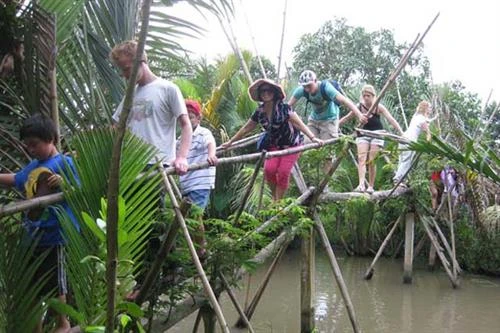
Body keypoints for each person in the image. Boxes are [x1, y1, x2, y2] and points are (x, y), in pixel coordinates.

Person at [0, 114, 79, 333]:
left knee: (57, 283)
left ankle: (63, 324)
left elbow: (81, 191)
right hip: (33, 236)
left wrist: (65, 183)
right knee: (33, 285)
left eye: (34, 145)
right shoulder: (34, 165)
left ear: (51, 138)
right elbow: (17, 180)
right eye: (28, 146)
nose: (31, 150)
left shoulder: (65, 163)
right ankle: (37, 328)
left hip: (55, 236)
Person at [222, 79, 323, 201]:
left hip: (292, 145)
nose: (266, 93)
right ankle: (275, 197)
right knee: (269, 170)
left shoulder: (284, 108)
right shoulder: (259, 111)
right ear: (260, 94)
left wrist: (313, 138)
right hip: (274, 145)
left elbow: (300, 124)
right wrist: (230, 142)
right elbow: (246, 128)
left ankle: (277, 202)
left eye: (269, 90)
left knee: (283, 171)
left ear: (274, 92)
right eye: (263, 91)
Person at [110, 40, 192, 174]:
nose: (124, 75)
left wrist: (182, 157)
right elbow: (116, 126)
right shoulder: (130, 94)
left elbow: (186, 125)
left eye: (126, 69)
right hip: (131, 164)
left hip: (157, 163)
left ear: (141, 62)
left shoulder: (168, 89)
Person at [339, 84, 403, 193]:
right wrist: (336, 125)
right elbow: (347, 117)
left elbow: (391, 119)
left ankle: (371, 186)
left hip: (377, 135)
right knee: (361, 159)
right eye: (364, 95)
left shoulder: (378, 107)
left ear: (373, 96)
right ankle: (361, 184)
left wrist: (401, 132)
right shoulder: (359, 107)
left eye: (368, 95)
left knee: (371, 161)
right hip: (362, 135)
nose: (366, 98)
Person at [177, 100, 217, 258]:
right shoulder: (180, 139)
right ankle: (195, 248)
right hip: (186, 183)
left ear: (198, 118)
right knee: (188, 218)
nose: (188, 120)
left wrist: (211, 155)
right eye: (185, 117)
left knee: (195, 214)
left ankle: (201, 250)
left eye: (191, 117)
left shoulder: (203, 132)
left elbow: (211, 143)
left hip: (200, 181)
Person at [393, 100, 432, 187]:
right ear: (425, 108)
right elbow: (428, 133)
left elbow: (427, 120)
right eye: (429, 108)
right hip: (410, 140)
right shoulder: (422, 118)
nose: (431, 110)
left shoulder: (416, 116)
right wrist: (428, 144)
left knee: (402, 160)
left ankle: (401, 180)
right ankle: (398, 179)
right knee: (406, 160)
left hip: (404, 137)